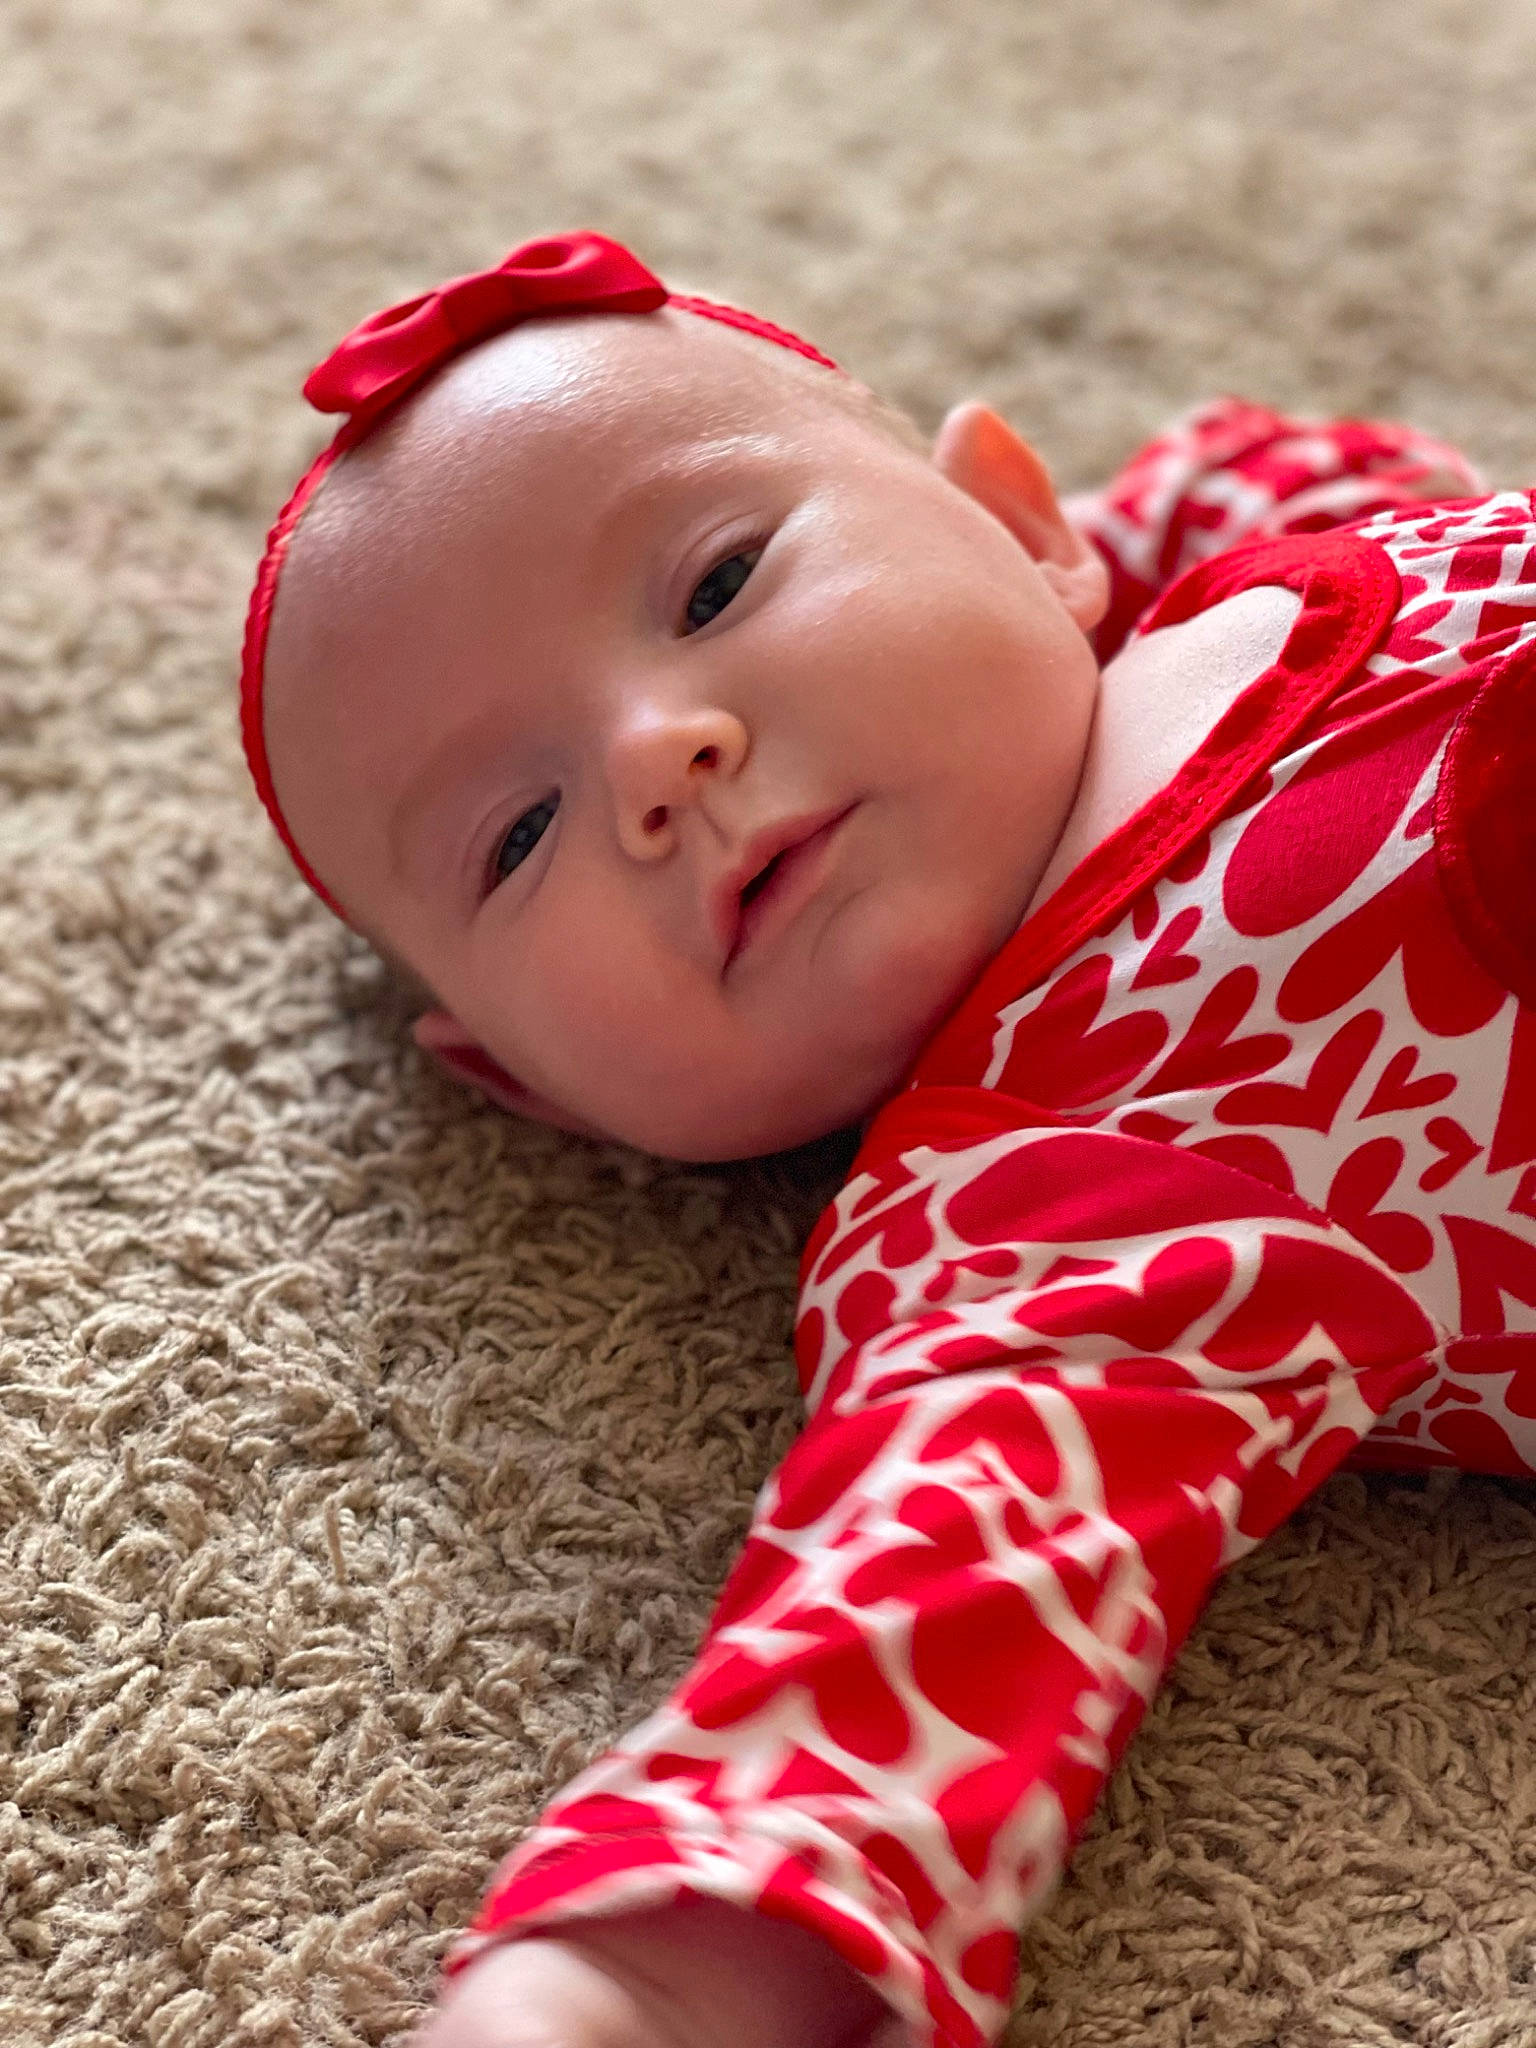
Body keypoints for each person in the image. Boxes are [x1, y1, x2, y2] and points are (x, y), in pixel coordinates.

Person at [241, 232, 1536, 2048]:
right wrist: (602, 1997)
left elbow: (1268, 461)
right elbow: (896, 1648)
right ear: (535, 1088)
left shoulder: (1237, 561)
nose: (652, 753)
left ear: (1022, 525)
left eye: (718, 582)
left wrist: (1080, 551)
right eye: (515, 836)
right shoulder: (1048, 1207)